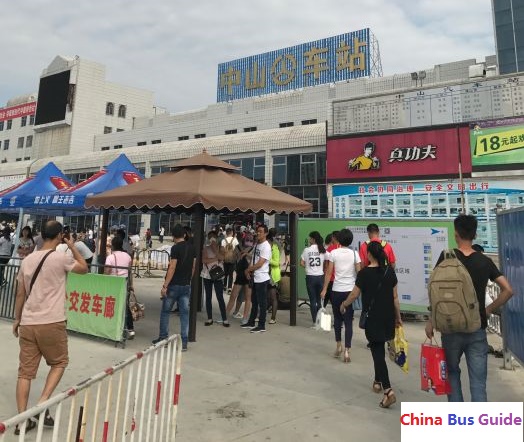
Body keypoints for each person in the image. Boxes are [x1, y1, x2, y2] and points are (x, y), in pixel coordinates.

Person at [425, 214, 513, 402]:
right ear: (474, 235)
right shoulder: (484, 261)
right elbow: (508, 290)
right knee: (478, 382)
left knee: (453, 375)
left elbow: (436, 292)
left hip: (450, 328)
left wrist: (431, 321)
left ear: (456, 233)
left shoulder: (446, 257)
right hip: (476, 328)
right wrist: (488, 310)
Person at [12, 220, 88, 434]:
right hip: (52, 321)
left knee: (25, 373)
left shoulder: (27, 260)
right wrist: (71, 245)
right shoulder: (60, 257)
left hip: (28, 322)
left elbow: (20, 293)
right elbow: (84, 268)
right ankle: (41, 404)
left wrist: (17, 319)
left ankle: (21, 421)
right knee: (59, 362)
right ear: (59, 236)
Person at [340, 241, 401, 409]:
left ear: (369, 255)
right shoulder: (390, 272)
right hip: (388, 317)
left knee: (377, 353)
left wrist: (344, 304)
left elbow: (354, 294)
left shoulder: (365, 273)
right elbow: (395, 298)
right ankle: (377, 380)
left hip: (373, 318)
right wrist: (398, 317)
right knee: (379, 348)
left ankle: (388, 391)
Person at [153, 224, 196, 350]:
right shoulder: (192, 248)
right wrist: (189, 279)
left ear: (173, 236)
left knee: (165, 312)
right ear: (184, 235)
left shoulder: (175, 249)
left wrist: (165, 285)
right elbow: (193, 267)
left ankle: (163, 338)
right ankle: (184, 343)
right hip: (186, 285)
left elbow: (172, 267)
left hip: (174, 285)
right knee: (184, 314)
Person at [320, 229, 361, 363]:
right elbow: (359, 274)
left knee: (337, 319)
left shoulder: (333, 253)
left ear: (339, 239)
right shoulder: (355, 254)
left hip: (336, 290)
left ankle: (338, 346)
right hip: (350, 291)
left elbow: (328, 273)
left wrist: (325, 289)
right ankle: (347, 351)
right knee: (348, 321)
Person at [241, 224, 271, 333]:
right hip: (255, 277)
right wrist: (249, 269)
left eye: (261, 231)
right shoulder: (257, 244)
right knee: (254, 301)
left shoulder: (266, 246)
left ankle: (261, 325)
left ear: (266, 233)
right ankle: (251, 321)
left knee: (262, 303)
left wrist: (248, 270)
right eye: (257, 231)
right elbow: (254, 258)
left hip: (262, 278)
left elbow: (260, 263)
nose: (258, 233)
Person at [105, 236, 135, 339]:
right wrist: (131, 285)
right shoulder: (127, 256)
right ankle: (130, 329)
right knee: (125, 306)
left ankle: (113, 328)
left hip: (114, 284)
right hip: (125, 283)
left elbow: (107, 272)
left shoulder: (110, 257)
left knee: (112, 305)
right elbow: (130, 272)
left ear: (112, 245)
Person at [201, 230, 229, 327]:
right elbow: (204, 260)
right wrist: (215, 259)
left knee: (220, 297)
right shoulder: (205, 248)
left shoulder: (221, 248)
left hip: (218, 275)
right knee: (208, 297)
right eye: (210, 238)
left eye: (213, 237)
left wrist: (215, 250)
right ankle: (209, 318)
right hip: (207, 274)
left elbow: (223, 258)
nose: (212, 240)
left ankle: (224, 318)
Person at [300, 231, 326, 324]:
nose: (309, 240)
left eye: (310, 238)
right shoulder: (322, 249)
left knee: (312, 300)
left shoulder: (306, 250)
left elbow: (301, 263)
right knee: (319, 300)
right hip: (320, 277)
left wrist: (308, 267)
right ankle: (321, 320)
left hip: (310, 277)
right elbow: (327, 261)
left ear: (313, 239)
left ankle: (315, 320)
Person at [225, 241, 252, 325]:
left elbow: (254, 259)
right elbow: (232, 259)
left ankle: (245, 317)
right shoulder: (237, 248)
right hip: (240, 275)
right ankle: (225, 315)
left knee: (247, 298)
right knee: (233, 296)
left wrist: (247, 255)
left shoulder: (253, 248)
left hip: (247, 275)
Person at [267, 228, 281, 325]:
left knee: (273, 297)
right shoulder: (278, 243)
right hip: (264, 274)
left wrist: (267, 260)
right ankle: (260, 315)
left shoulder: (276, 247)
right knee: (264, 296)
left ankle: (273, 317)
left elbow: (277, 262)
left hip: (272, 276)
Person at [323, 232, 340, 308]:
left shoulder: (330, 249)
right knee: (337, 300)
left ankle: (321, 313)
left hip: (331, 279)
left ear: (333, 238)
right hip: (339, 279)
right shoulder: (343, 248)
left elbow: (326, 265)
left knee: (326, 297)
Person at [221, 227, 239, 295]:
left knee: (225, 273)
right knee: (231, 274)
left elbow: (222, 251)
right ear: (231, 232)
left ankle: (224, 286)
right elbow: (237, 249)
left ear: (226, 233)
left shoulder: (223, 240)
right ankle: (229, 288)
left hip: (225, 258)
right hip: (232, 259)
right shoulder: (235, 240)